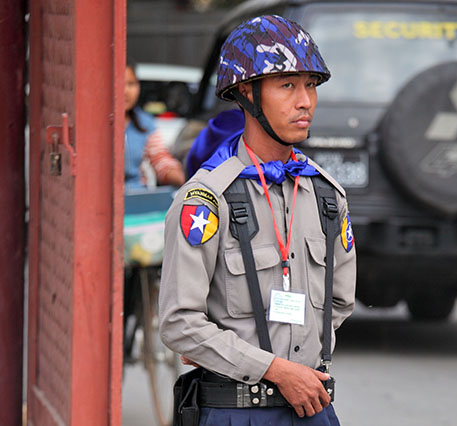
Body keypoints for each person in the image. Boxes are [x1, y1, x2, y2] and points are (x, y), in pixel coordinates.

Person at [159, 15, 356, 426]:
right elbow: (179, 323)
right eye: (288, 86)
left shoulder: (325, 195)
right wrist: (275, 370)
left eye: (310, 86)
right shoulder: (207, 199)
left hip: (312, 410)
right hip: (234, 412)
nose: (305, 101)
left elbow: (339, 303)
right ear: (247, 94)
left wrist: (300, 365)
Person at [124, 64, 185, 189]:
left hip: (137, 198)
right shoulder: (95, 124)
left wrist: (181, 179)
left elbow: (159, 158)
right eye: (119, 83)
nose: (126, 91)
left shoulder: (144, 122)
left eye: (131, 84)